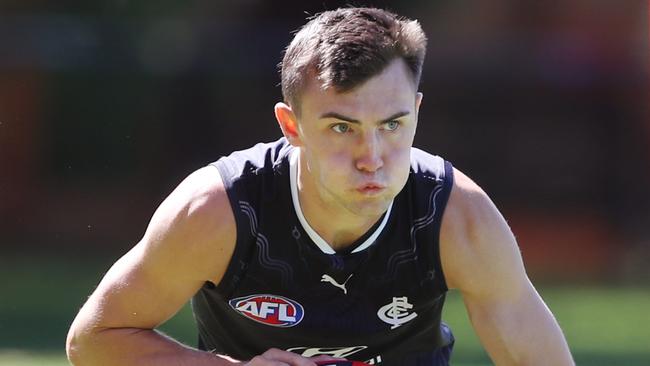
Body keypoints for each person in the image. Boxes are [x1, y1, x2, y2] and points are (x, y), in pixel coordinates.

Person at [66, 7, 574, 366]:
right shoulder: (215, 211)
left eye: (392, 125)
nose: (372, 158)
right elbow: (95, 340)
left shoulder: (456, 218)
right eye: (341, 128)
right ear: (291, 126)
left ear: (416, 112)